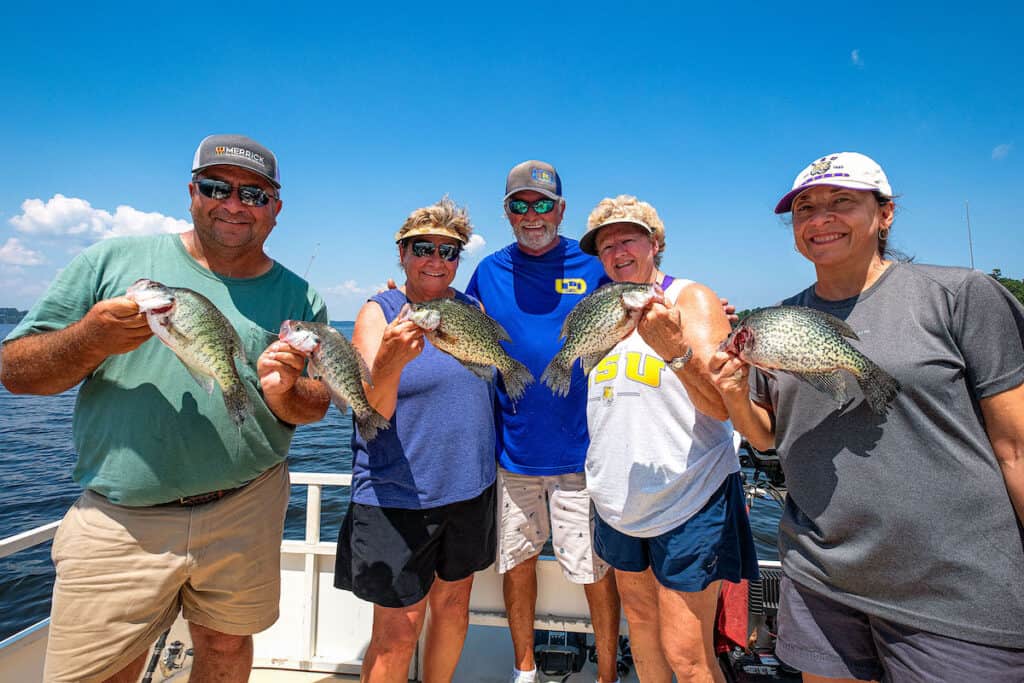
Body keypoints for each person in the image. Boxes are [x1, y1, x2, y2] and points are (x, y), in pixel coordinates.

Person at [0, 134, 330, 683]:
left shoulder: (299, 296)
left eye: (254, 194)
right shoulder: (111, 261)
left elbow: (316, 403)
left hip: (247, 507)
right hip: (120, 518)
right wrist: (90, 338)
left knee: (227, 647)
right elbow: (14, 371)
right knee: (103, 670)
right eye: (216, 187)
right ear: (191, 192)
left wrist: (287, 393)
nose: (233, 203)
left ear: (275, 208)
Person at [713, 152, 1024, 682]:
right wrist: (734, 393)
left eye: (842, 202)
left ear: (885, 214)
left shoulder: (960, 295)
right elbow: (766, 439)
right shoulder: (778, 321)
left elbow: (1015, 448)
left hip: (958, 591)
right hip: (819, 579)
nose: (819, 218)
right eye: (805, 208)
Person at [578, 195, 759, 683]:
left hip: (689, 496)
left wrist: (676, 351)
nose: (616, 252)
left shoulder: (691, 298)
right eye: (606, 245)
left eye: (628, 239)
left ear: (655, 244)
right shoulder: (604, 308)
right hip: (620, 500)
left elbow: (722, 405)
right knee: (640, 626)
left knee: (687, 654)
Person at [466, 161, 621, 683]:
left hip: (583, 452)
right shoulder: (487, 271)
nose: (532, 215)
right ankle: (524, 670)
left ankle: (605, 676)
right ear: (507, 213)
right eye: (519, 205)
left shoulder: (594, 261)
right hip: (513, 452)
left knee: (594, 569)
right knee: (517, 562)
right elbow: (458, 329)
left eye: (541, 204)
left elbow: (639, 300)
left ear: (561, 209)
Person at [333, 197, 496, 683]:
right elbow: (368, 410)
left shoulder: (471, 309)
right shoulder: (377, 313)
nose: (436, 260)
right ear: (401, 253)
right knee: (398, 632)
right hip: (398, 498)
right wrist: (389, 361)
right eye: (423, 248)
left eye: (449, 252)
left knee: (452, 608)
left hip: (471, 492)